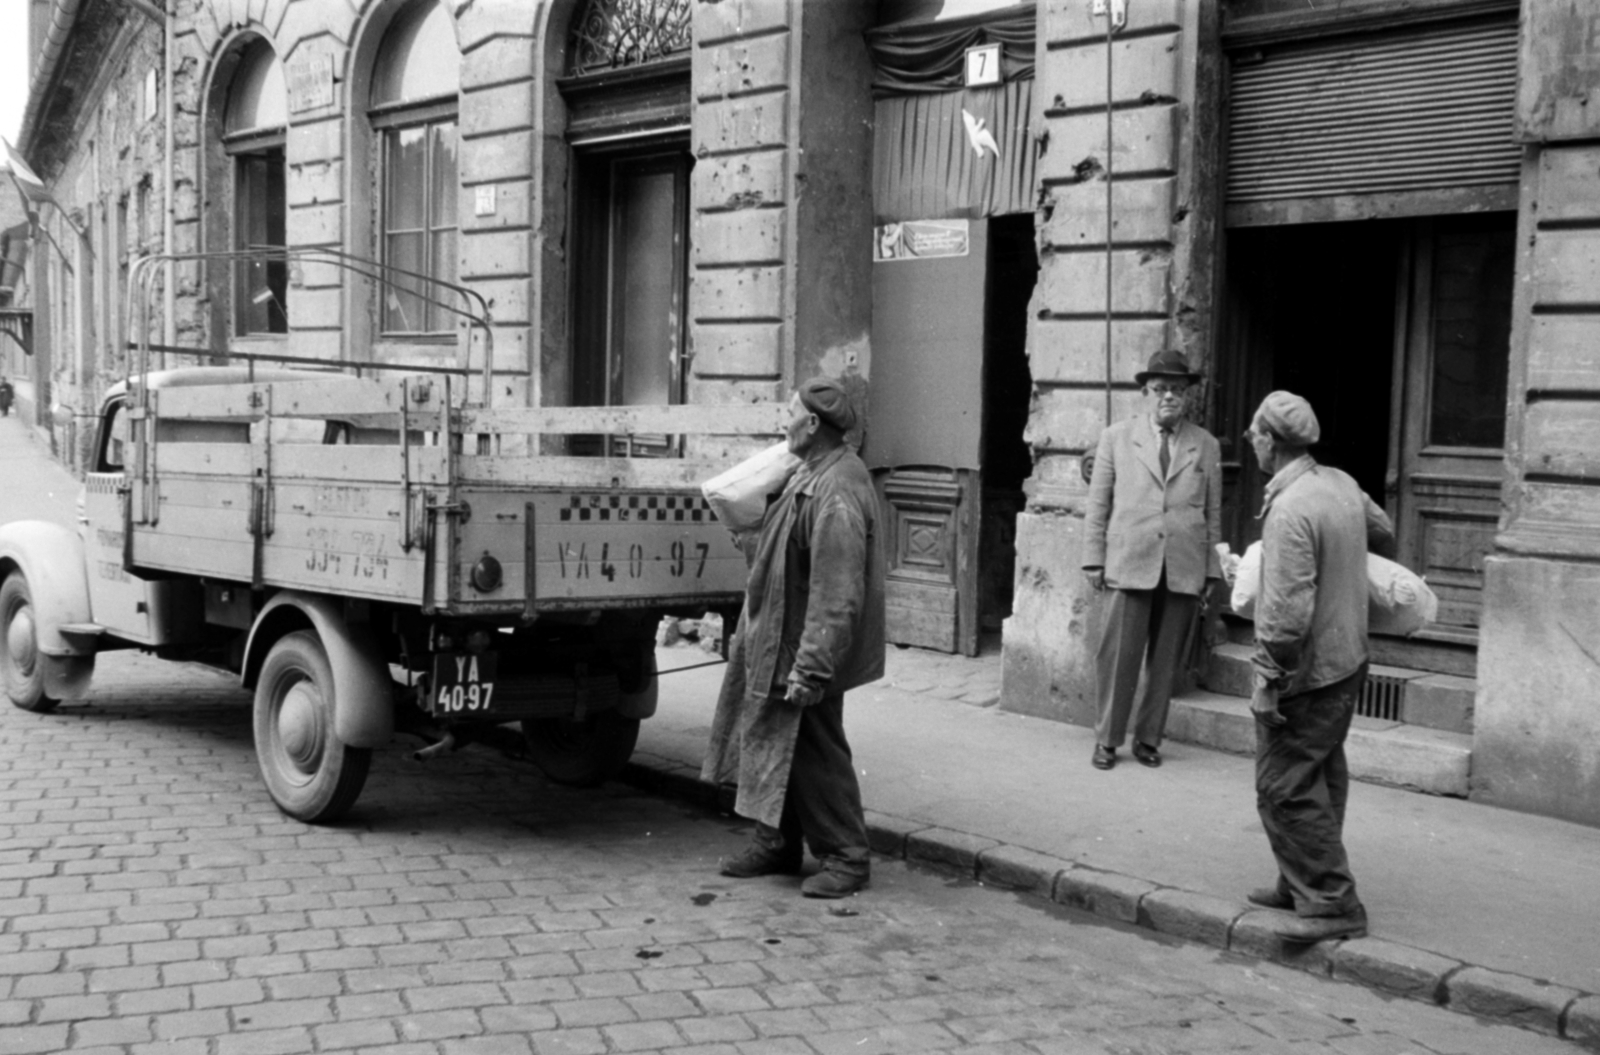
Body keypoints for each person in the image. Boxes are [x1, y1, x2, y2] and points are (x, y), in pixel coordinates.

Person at [701, 375, 887, 898]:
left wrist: (812, 668)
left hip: (805, 647)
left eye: (789, 412)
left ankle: (847, 858)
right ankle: (777, 843)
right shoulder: (809, 472)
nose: (782, 421)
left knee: (815, 751)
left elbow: (837, 590)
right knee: (774, 740)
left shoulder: (837, 488)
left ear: (811, 423)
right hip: (779, 637)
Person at [1243, 390, 1395, 942]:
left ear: (1268, 440)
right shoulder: (1339, 483)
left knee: (1283, 785)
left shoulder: (1289, 509)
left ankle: (1332, 902)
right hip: (1347, 656)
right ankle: (1297, 882)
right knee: (1320, 774)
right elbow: (1381, 531)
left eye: (1253, 434)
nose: (1250, 441)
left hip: (1306, 670)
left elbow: (1284, 617)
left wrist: (1266, 680)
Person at [1082, 349, 1222, 770]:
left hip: (1182, 564)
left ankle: (1148, 738)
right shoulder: (1116, 438)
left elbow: (1212, 513)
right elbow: (1097, 504)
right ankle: (1107, 739)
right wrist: (1093, 559)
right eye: (1160, 389)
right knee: (1118, 656)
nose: (1169, 397)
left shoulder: (1206, 444)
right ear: (1145, 392)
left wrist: (1211, 568)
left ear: (1188, 397)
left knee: (1165, 662)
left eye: (1177, 390)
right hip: (1129, 560)